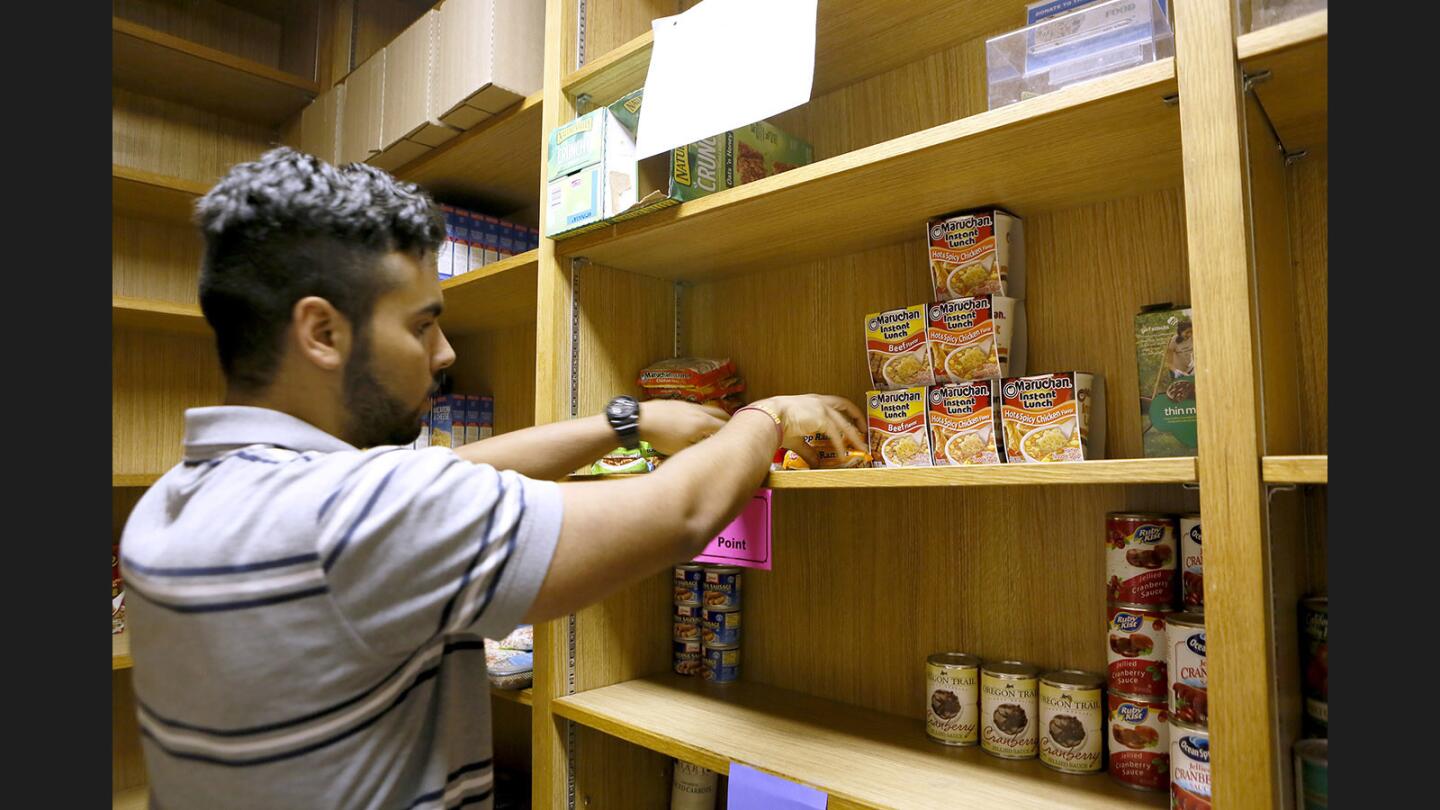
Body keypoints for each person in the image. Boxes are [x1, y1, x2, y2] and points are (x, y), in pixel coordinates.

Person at [118, 148, 865, 810]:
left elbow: (436, 473)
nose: (444, 353)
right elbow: (681, 510)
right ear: (322, 332)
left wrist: (626, 422)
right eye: (420, 325)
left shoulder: (180, 500)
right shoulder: (350, 514)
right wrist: (766, 416)